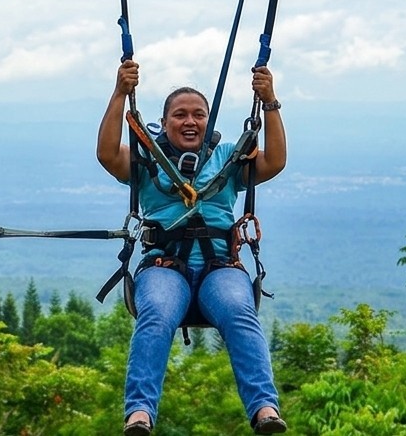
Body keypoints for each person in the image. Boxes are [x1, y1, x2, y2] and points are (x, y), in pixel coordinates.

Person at [96, 60, 288, 435]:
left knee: (239, 311)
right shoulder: (149, 158)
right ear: (164, 122)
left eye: (199, 115)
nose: (190, 121)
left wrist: (270, 103)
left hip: (221, 268)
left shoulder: (229, 158)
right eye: (180, 115)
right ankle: (139, 413)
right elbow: (107, 155)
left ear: (208, 121)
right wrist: (120, 93)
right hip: (164, 267)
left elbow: (274, 162)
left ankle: (264, 408)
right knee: (157, 315)